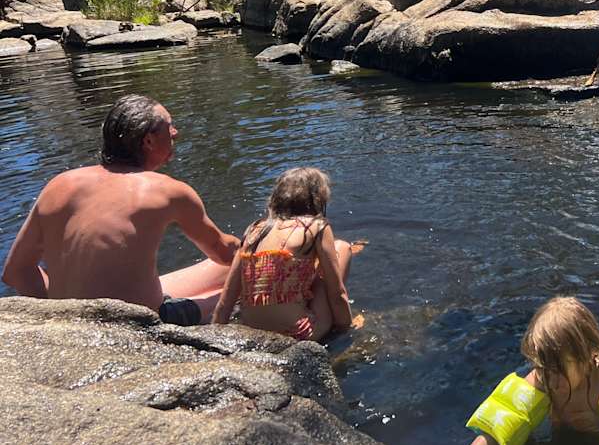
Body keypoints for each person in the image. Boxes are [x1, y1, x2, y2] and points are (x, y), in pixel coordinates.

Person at [1, 94, 239, 325]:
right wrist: (256, 242)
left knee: (222, 271)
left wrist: (62, 312)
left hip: (70, 321)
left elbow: (16, 272)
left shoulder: (60, 184)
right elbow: (224, 253)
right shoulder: (169, 191)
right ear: (148, 141)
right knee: (247, 277)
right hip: (138, 324)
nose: (176, 132)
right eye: (169, 126)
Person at [465, 296, 599, 445]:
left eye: (557, 369)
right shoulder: (544, 377)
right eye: (542, 366)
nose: (551, 380)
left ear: (586, 356)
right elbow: (498, 428)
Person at [212, 166, 355, 342]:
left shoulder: (253, 230)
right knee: (341, 248)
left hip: (252, 334)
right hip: (298, 333)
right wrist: (346, 329)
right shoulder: (316, 226)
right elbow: (337, 293)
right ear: (318, 199)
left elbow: (226, 301)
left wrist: (215, 339)